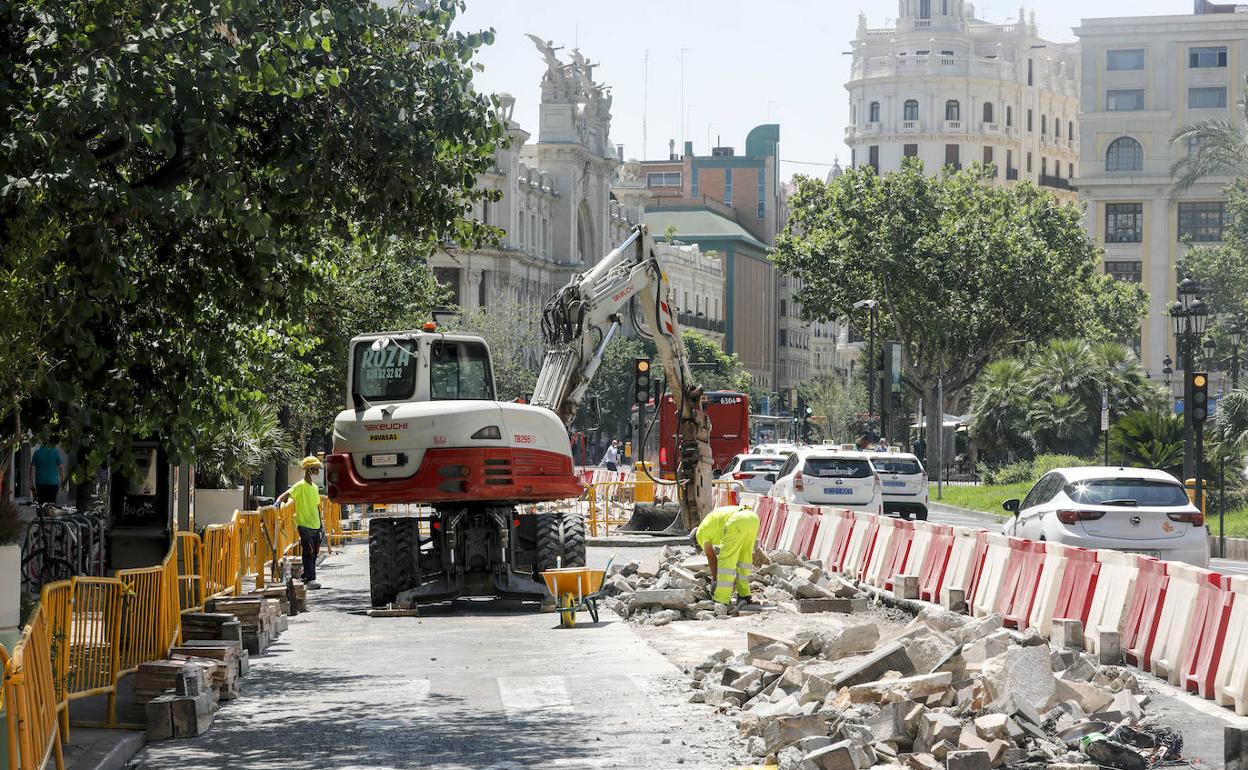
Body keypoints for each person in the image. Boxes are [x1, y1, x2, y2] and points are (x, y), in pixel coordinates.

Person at [691, 502, 760, 610]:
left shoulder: (700, 533)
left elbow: (712, 558)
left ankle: (721, 599)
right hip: (752, 518)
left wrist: (715, 580)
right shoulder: (708, 523)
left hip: (737, 521)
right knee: (744, 559)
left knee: (726, 561)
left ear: (695, 541)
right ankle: (744, 595)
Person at [276, 456, 325, 589]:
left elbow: (317, 507)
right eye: (316, 469)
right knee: (308, 551)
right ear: (309, 470)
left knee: (314, 553)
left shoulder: (314, 487)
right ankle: (310, 579)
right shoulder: (300, 486)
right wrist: (278, 502)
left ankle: (306, 576)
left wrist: (321, 525)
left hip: (315, 525)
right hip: (304, 525)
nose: (318, 472)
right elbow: (286, 494)